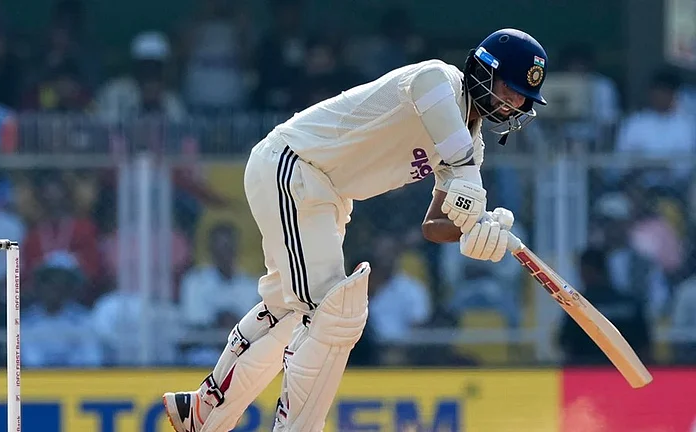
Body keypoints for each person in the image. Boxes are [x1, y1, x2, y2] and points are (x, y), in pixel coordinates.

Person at [163, 28, 549, 432]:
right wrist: (473, 198)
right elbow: (459, 161)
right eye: (511, 87)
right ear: (483, 70)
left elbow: (434, 225)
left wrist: (477, 231)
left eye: (524, 97)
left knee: (289, 311)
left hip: (325, 195)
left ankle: (204, 409)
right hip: (295, 167)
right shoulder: (439, 79)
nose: (516, 102)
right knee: (333, 313)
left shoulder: (470, 144)